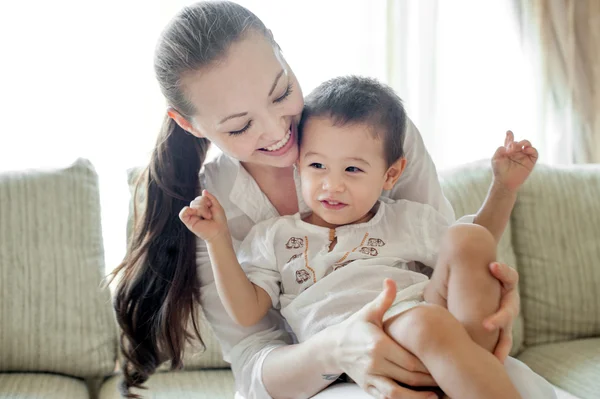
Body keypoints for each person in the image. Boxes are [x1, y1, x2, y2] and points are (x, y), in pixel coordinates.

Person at [111, 2, 554, 398]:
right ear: (189, 124)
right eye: (240, 126)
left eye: (281, 92)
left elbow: (450, 256)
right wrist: (340, 347)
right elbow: (253, 360)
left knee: (464, 256)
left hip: (439, 339)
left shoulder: (369, 128)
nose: (276, 131)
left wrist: (483, 293)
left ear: (282, 52)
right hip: (327, 377)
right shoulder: (222, 215)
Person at [179, 76, 538, 399]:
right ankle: (468, 371)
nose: (332, 185)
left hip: (433, 324)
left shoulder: (402, 218)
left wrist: (503, 189)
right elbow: (246, 312)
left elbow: (477, 251)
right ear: (298, 165)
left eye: (352, 169)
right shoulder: (274, 236)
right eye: (317, 166)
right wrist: (218, 240)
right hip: (359, 352)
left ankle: (472, 363)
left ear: (390, 174)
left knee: (466, 239)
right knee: (430, 323)